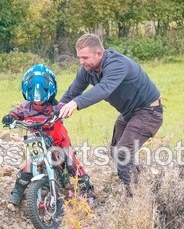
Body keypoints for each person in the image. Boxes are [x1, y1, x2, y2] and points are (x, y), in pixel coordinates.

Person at [58, 33, 162, 189]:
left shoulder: (117, 64)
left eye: (85, 57)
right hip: (129, 113)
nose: (81, 62)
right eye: (79, 57)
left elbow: (104, 89)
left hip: (148, 111)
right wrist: (56, 109)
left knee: (122, 153)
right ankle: (141, 188)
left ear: (99, 53)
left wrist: (76, 103)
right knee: (116, 152)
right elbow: (73, 91)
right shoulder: (87, 70)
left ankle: (132, 199)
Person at [2, 63, 93, 208]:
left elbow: (64, 108)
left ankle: (88, 192)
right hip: (36, 141)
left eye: (42, 96)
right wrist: (10, 117)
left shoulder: (55, 106)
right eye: (34, 96)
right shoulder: (25, 107)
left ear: (50, 91)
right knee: (28, 166)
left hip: (59, 141)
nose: (38, 100)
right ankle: (17, 193)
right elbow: (16, 113)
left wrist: (62, 111)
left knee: (71, 163)